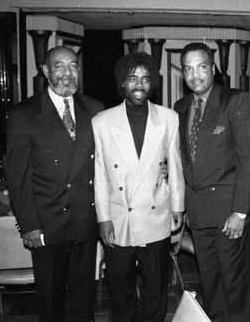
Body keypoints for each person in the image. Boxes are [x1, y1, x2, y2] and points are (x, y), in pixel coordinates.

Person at [6, 46, 104, 322]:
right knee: (51, 302)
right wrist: (29, 225)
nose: (67, 73)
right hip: (48, 225)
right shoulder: (23, 114)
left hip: (86, 221)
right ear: (46, 71)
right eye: (59, 66)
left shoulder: (94, 109)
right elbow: (18, 177)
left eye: (73, 66)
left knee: (84, 298)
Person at [92, 51, 185, 322]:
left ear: (152, 83)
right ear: (122, 83)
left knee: (155, 288)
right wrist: (103, 218)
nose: (139, 85)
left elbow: (176, 167)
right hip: (119, 217)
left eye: (146, 79)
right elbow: (100, 175)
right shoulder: (102, 121)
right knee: (120, 289)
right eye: (132, 79)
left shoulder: (168, 118)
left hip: (156, 213)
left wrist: (178, 206)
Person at [173, 42, 250, 322]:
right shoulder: (180, 107)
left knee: (234, 283)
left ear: (213, 68)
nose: (195, 75)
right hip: (197, 212)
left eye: (202, 67)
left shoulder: (236, 100)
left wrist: (240, 212)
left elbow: (246, 160)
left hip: (228, 210)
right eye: (188, 69)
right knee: (209, 283)